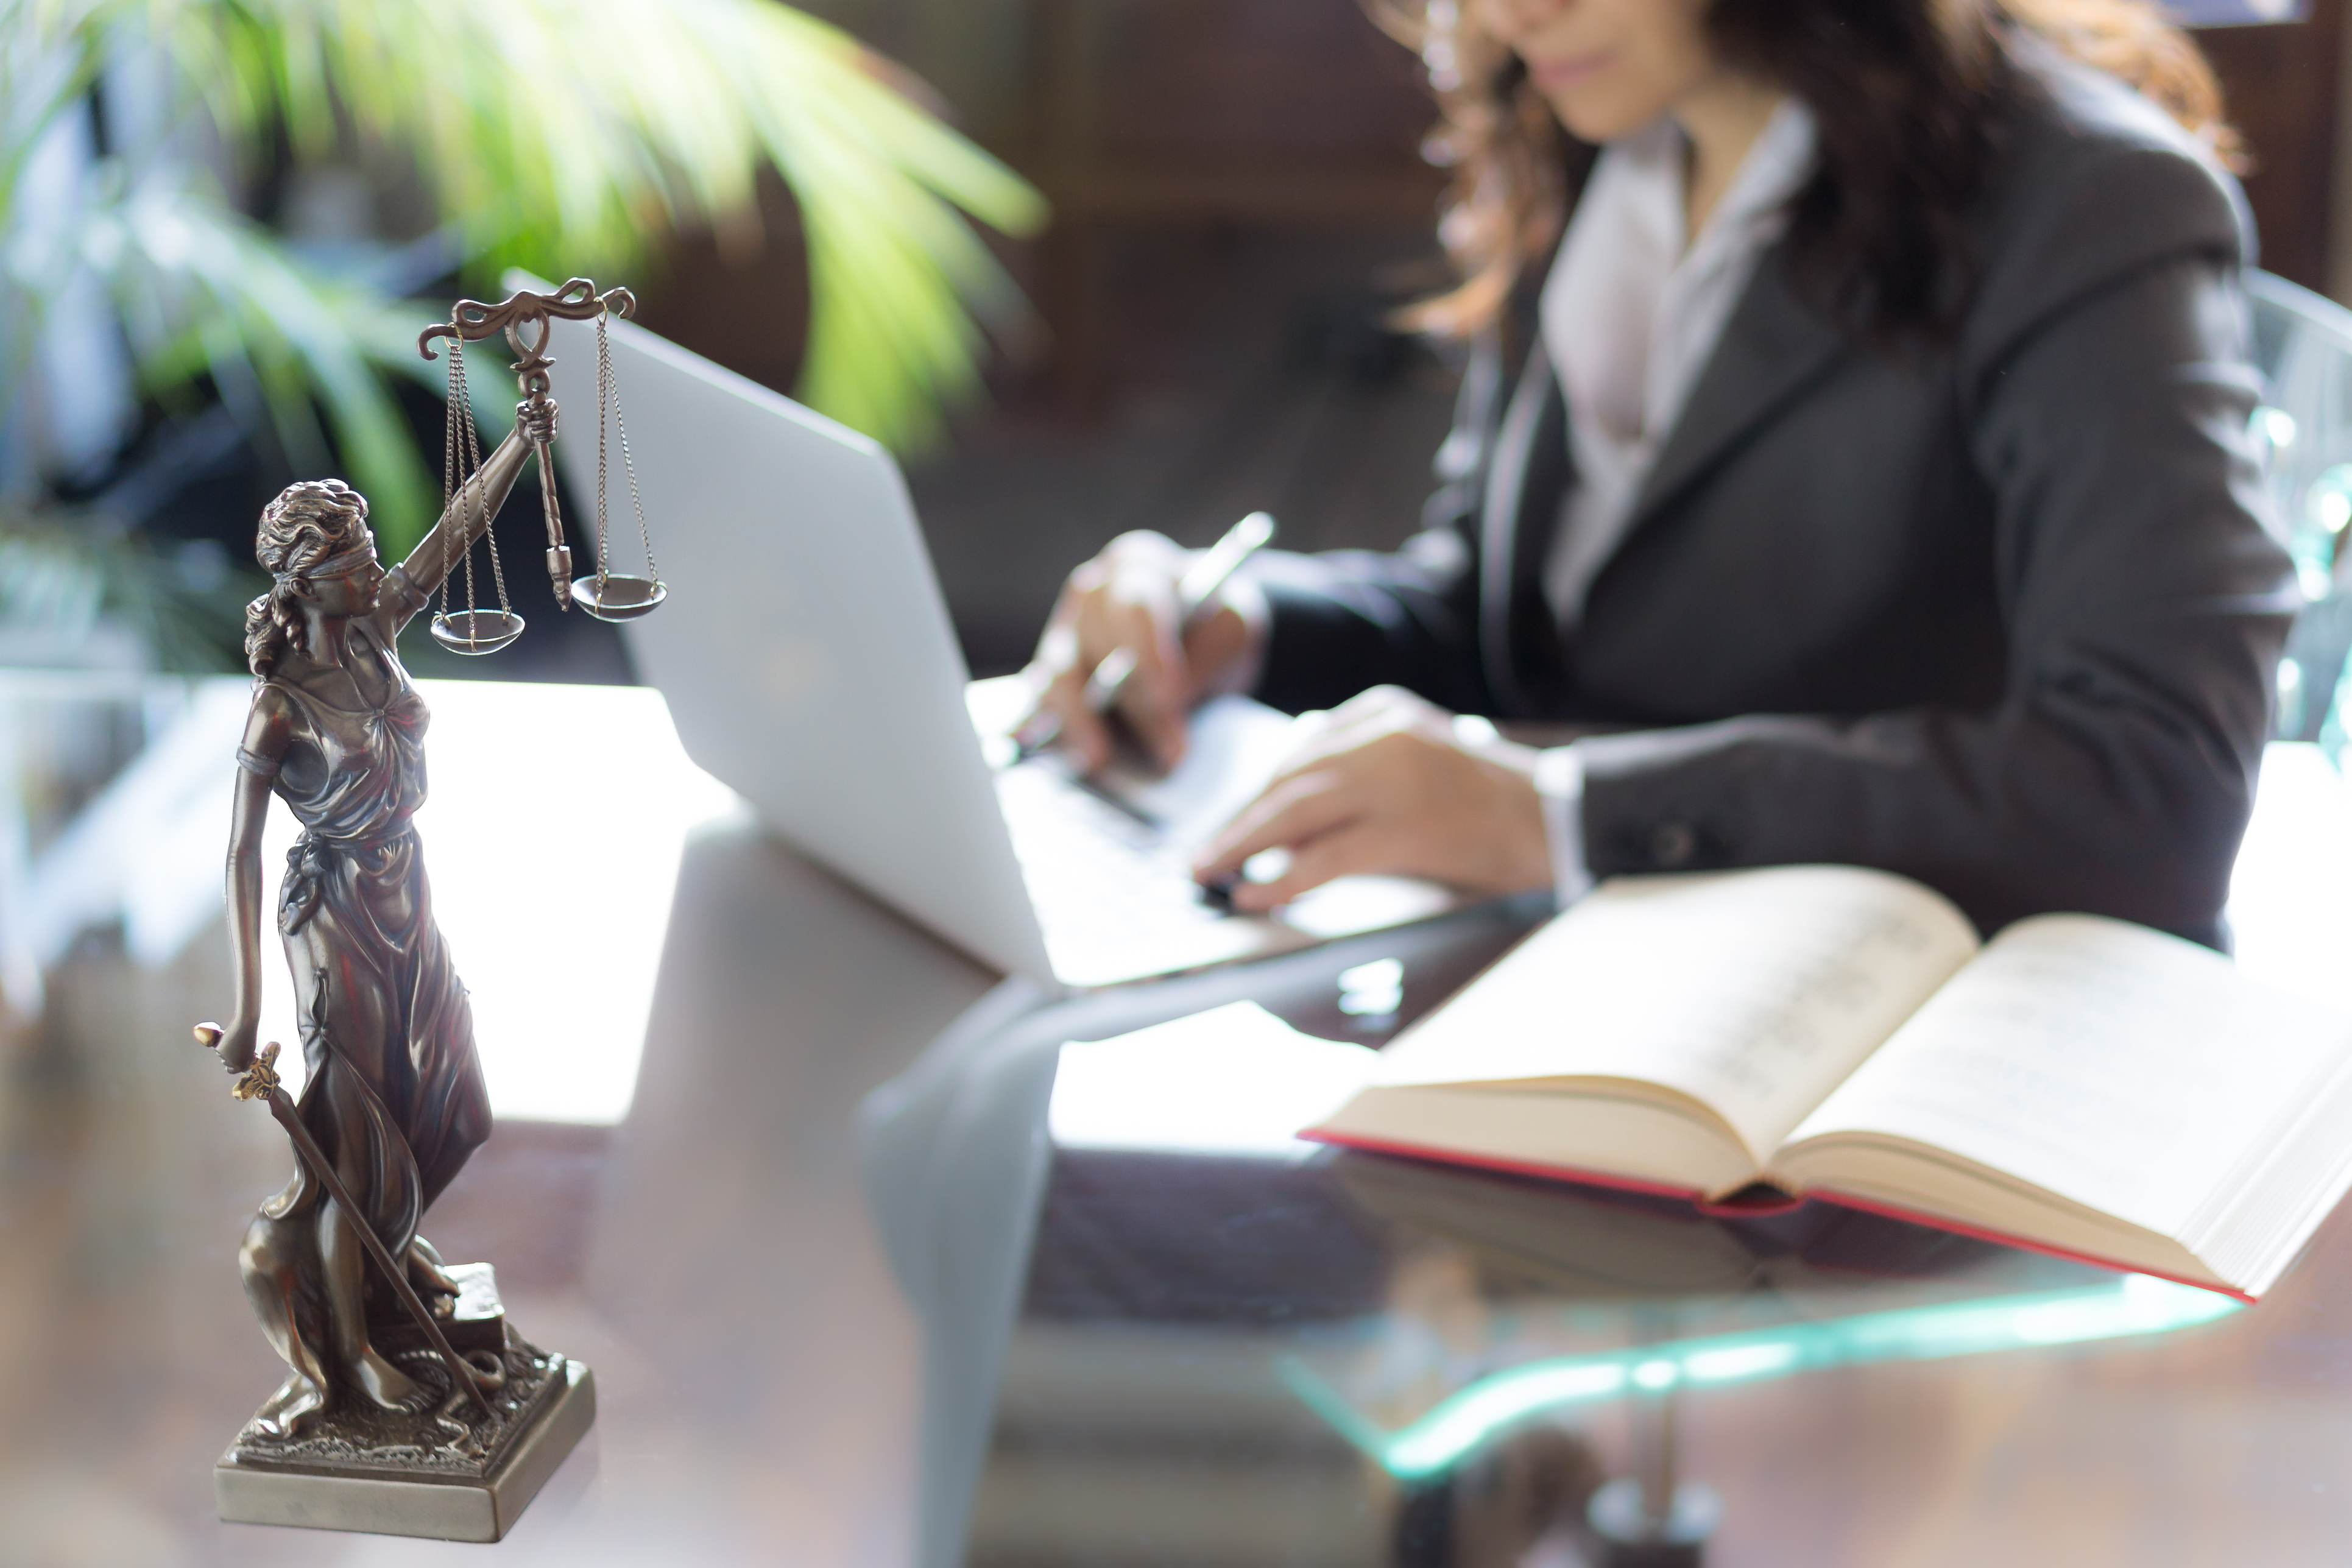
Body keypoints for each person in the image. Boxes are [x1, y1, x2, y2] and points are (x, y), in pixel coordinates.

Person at [1020, 0, 2293, 948]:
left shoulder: (2087, 201)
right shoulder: (1604, 133)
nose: (1511, 13)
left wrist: (1557, 813)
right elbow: (1510, 624)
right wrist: (1242, 621)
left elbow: (2153, 789)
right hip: (1581, 977)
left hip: (1884, 1065)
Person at [207, 404, 552, 1436]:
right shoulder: (278, 704)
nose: (374, 566)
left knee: (456, 1108)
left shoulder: (374, 630)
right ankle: (352, 1357)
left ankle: (389, 1255)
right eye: (353, 558)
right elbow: (239, 851)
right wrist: (244, 1009)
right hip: (335, 915)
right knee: (357, 1149)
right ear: (304, 583)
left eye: (366, 553)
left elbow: (450, 538)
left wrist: (521, 444)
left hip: (411, 892)